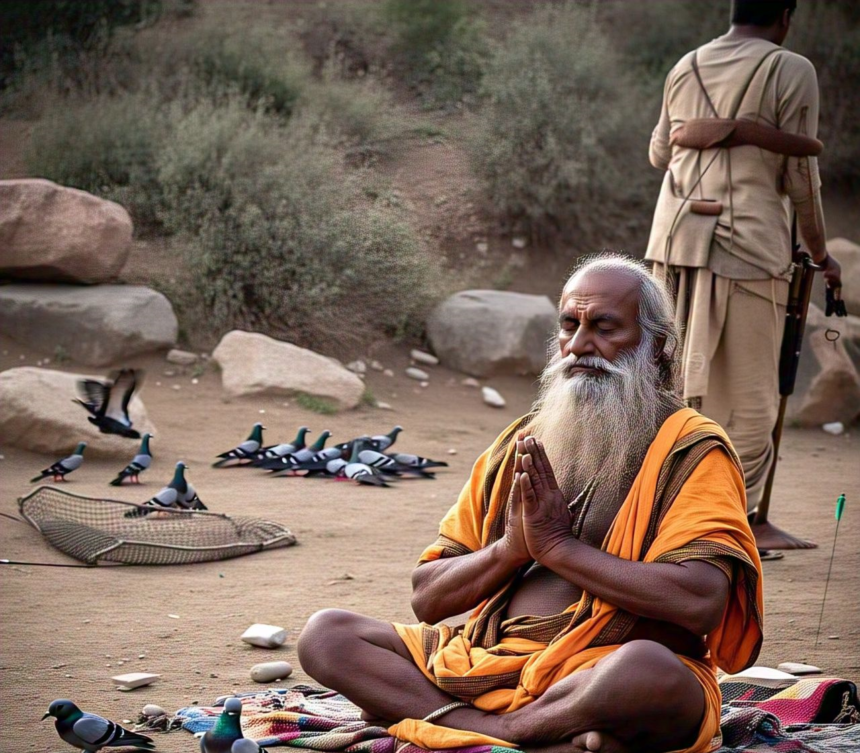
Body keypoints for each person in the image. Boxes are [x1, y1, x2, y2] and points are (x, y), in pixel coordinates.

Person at [298, 256, 764, 753]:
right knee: (326, 634)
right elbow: (429, 599)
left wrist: (559, 548)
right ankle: (533, 733)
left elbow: (698, 602)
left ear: (658, 348)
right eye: (570, 325)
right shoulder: (521, 441)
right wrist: (511, 549)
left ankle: (479, 727)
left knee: (647, 673)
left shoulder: (691, 448)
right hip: (484, 661)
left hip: (599, 674)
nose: (581, 346)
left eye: (605, 328)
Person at [645, 0, 842, 533]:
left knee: (674, 382)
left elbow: (659, 155)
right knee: (754, 397)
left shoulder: (685, 65)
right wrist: (821, 253)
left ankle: (661, 509)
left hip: (672, 244)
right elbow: (802, 175)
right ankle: (731, 520)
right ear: (785, 14)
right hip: (748, 247)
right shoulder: (790, 68)